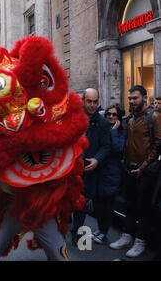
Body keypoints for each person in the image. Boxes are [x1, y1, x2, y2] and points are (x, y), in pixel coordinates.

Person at [109, 85, 161, 258]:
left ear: (145, 98)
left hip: (146, 171)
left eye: (135, 98)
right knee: (129, 205)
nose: (131, 101)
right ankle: (127, 236)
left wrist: (144, 166)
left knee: (144, 208)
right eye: (129, 98)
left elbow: (158, 145)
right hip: (130, 169)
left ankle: (140, 241)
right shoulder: (130, 119)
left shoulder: (154, 116)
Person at [71, 88, 111, 246]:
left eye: (95, 101)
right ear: (83, 101)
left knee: (83, 203)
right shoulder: (73, 117)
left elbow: (106, 145)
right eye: (89, 101)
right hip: (71, 168)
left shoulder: (102, 122)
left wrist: (97, 160)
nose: (93, 105)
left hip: (89, 170)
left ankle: (77, 233)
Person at [91, 104, 125, 244]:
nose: (111, 116)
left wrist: (114, 131)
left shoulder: (121, 131)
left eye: (114, 114)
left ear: (119, 118)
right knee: (98, 204)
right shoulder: (102, 129)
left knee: (107, 206)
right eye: (108, 114)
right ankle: (100, 229)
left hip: (112, 173)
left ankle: (104, 232)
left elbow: (118, 148)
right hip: (100, 171)